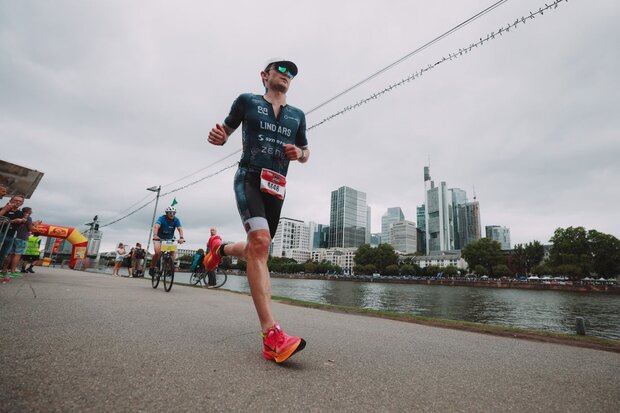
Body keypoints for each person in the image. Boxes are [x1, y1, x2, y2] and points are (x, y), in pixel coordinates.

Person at [206, 58, 309, 363]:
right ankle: (271, 335)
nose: (287, 75)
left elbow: (306, 152)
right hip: (249, 177)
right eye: (281, 70)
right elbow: (225, 131)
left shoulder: (298, 115)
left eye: (291, 73)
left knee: (257, 249)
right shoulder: (247, 101)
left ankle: (219, 248)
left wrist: (299, 152)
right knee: (261, 243)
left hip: (277, 186)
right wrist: (220, 137)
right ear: (265, 75)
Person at [3, 207, 42, 277]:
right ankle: (12, 271)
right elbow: (30, 229)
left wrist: (33, 224)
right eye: (31, 211)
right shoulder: (28, 218)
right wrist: (36, 225)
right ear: (29, 211)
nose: (32, 212)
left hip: (14, 236)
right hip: (22, 238)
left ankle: (4, 270)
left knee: (10, 254)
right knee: (17, 255)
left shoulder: (19, 216)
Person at [149, 206, 185, 275]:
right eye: (170, 213)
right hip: (159, 238)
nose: (172, 214)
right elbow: (156, 226)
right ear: (166, 213)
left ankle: (169, 268)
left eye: (174, 213)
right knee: (157, 253)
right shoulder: (161, 218)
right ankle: (152, 267)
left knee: (172, 253)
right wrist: (155, 235)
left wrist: (181, 237)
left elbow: (180, 229)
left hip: (169, 239)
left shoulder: (176, 220)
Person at [0, 195, 25, 274]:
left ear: (22, 203)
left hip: (10, 236)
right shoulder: (4, 209)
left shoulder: (20, 213)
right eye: (16, 200)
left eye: (20, 201)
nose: (18, 202)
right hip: (1, 233)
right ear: (11, 200)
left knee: (3, 255)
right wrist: (13, 221)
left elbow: (18, 227)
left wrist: (22, 222)